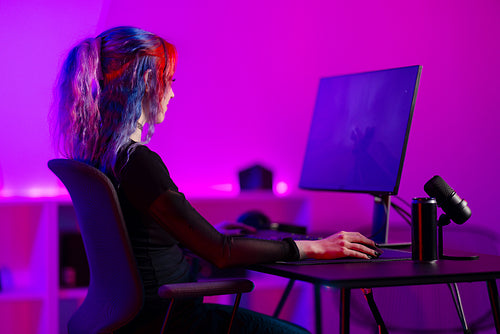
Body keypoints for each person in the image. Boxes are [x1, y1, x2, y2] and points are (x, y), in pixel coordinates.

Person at [51, 26, 380, 334]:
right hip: (176, 321)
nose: (172, 95)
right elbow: (221, 253)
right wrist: (316, 247)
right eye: (171, 81)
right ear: (150, 81)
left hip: (142, 318)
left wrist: (203, 236)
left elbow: (145, 239)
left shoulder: (103, 158)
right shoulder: (137, 163)